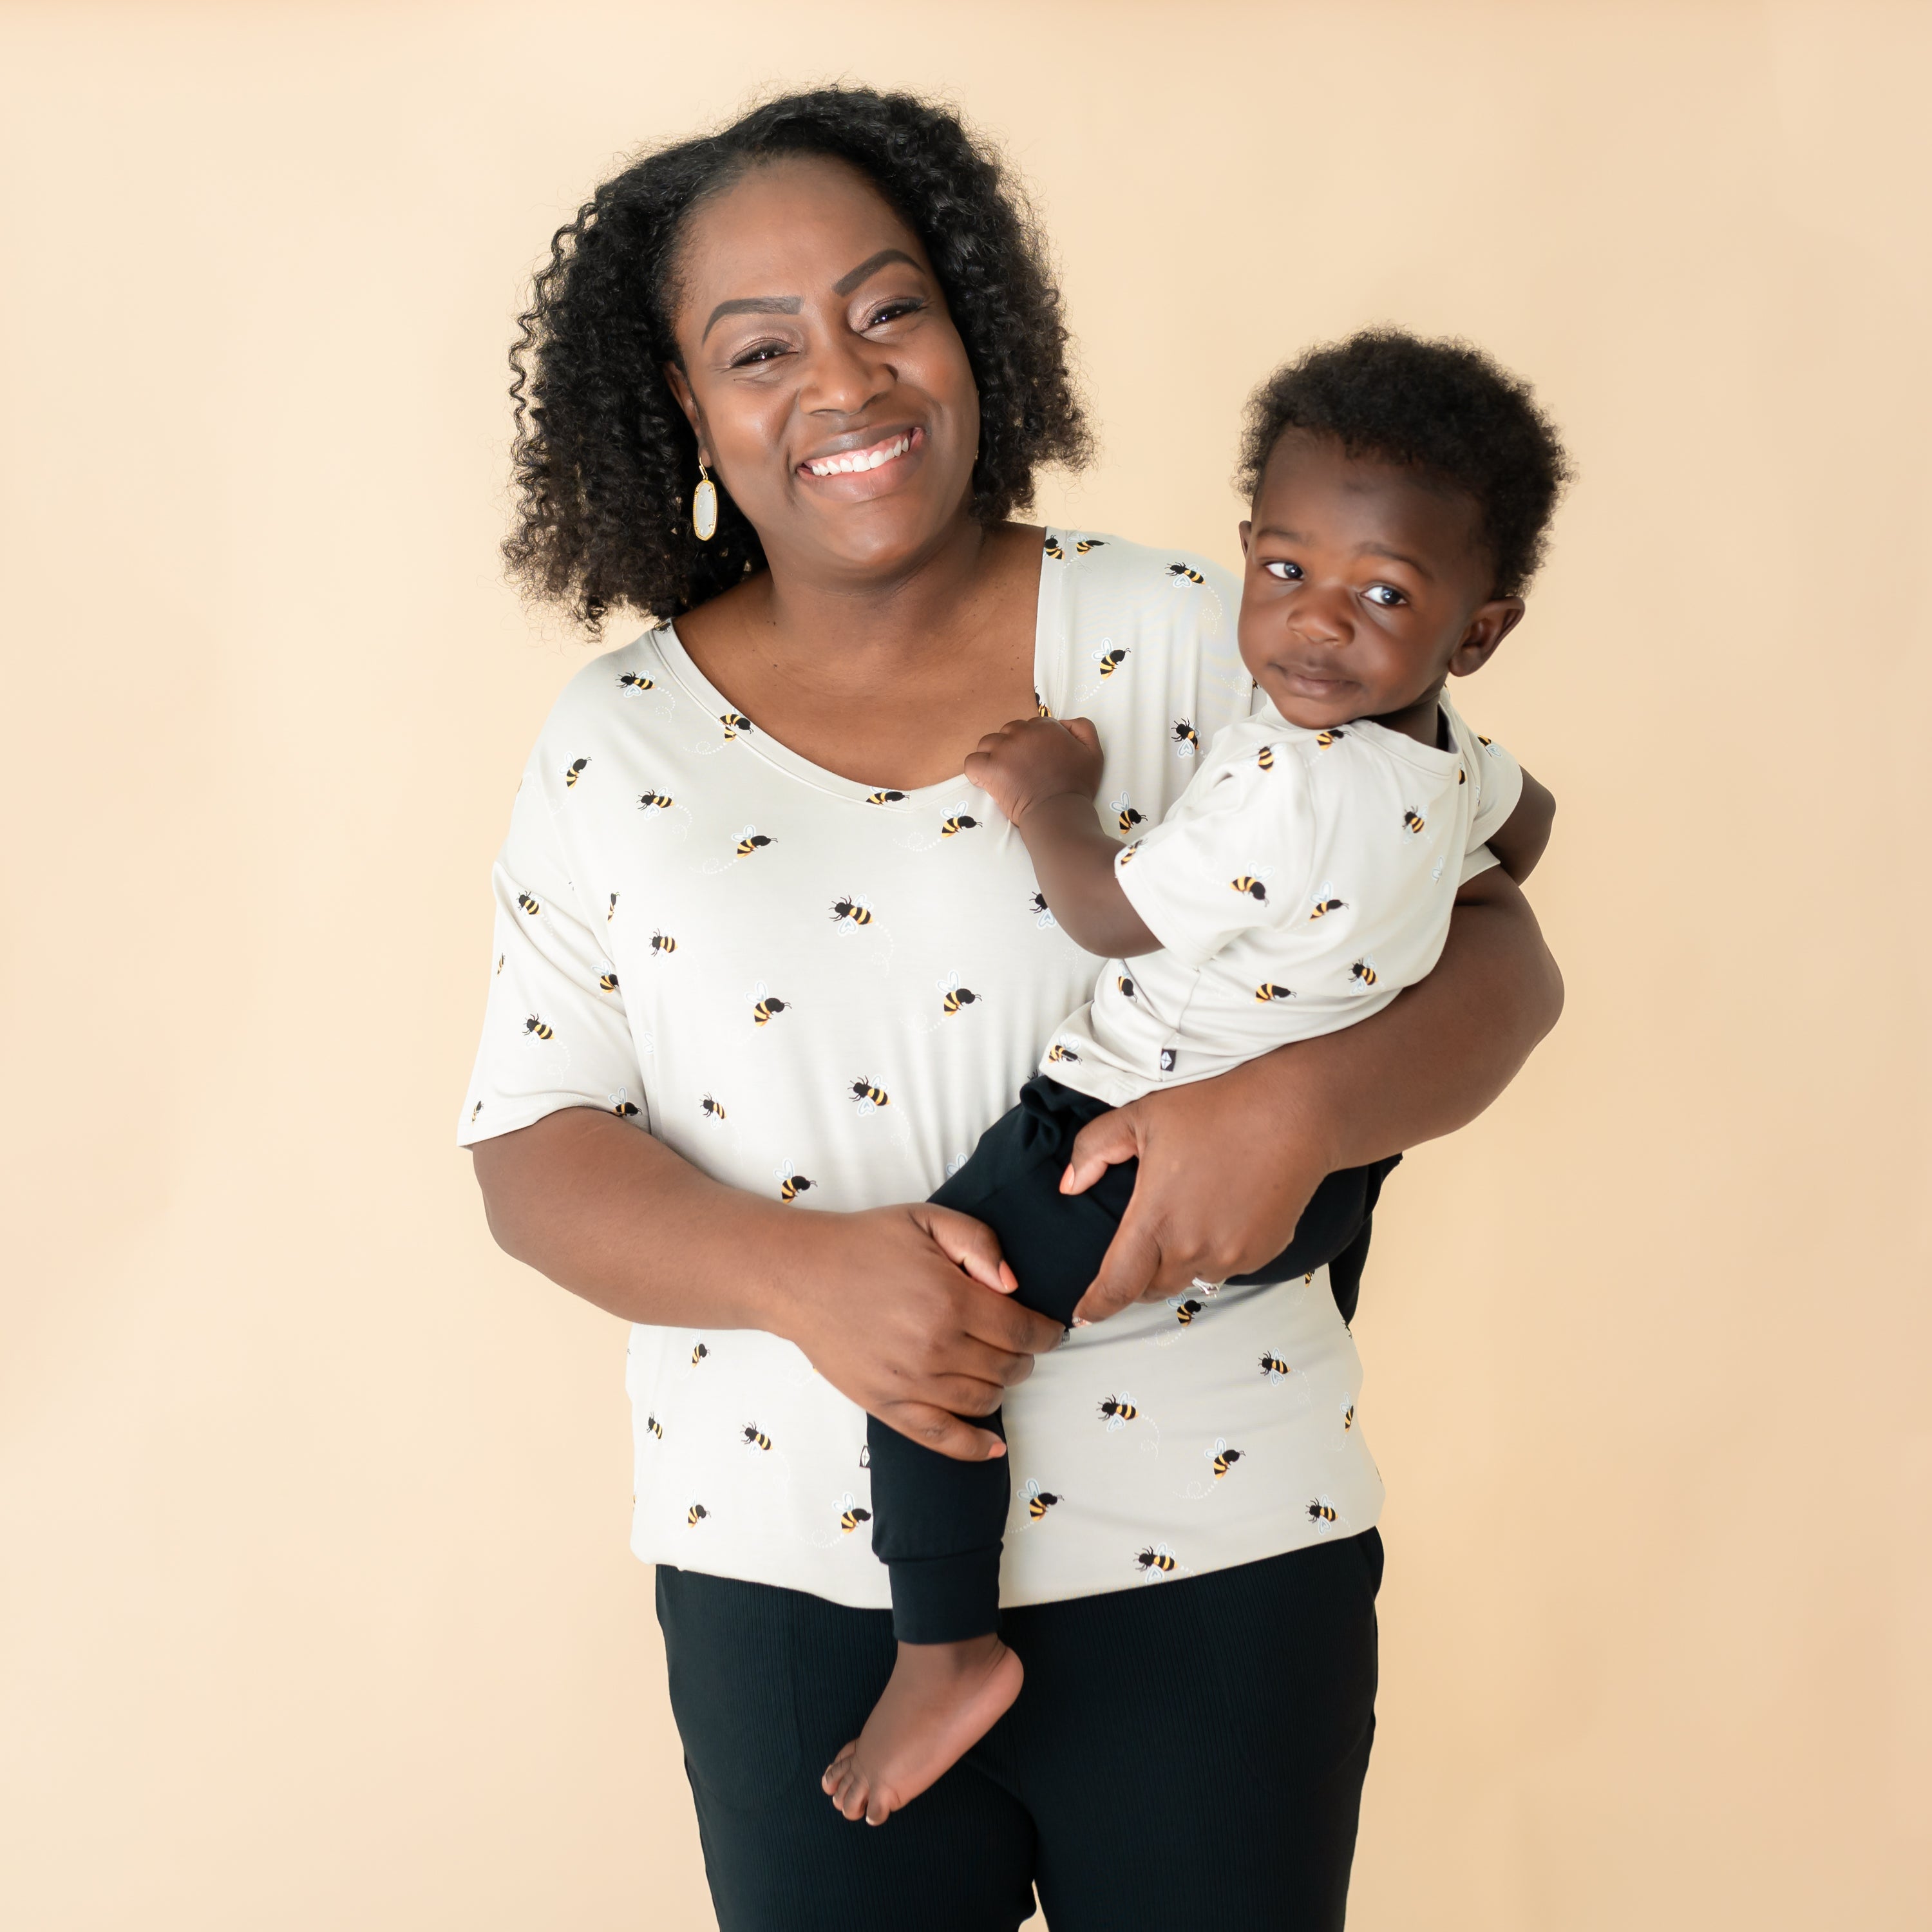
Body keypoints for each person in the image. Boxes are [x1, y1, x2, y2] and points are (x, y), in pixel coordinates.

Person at [461, 86, 1564, 1932]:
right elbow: (529, 1149)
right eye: (761, 347)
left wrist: (1296, 1113)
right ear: (681, 404)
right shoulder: (614, 741)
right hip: (795, 1579)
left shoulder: (1217, 630)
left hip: (1222, 1543)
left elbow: (1504, 949)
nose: (847, 381)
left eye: (891, 308)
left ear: (976, 322)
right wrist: (802, 1280)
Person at [831, 330, 1569, 1827]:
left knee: (924, 1345)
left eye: (1383, 597)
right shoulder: (1448, 748)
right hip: (1330, 1189)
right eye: (1287, 572)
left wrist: (1052, 794)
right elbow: (1527, 829)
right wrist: (1389, 925)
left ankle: (942, 1650)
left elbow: (1107, 912)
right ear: (1245, 551)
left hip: (1113, 1142)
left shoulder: (1283, 779)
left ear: (1476, 627)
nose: (1313, 629)